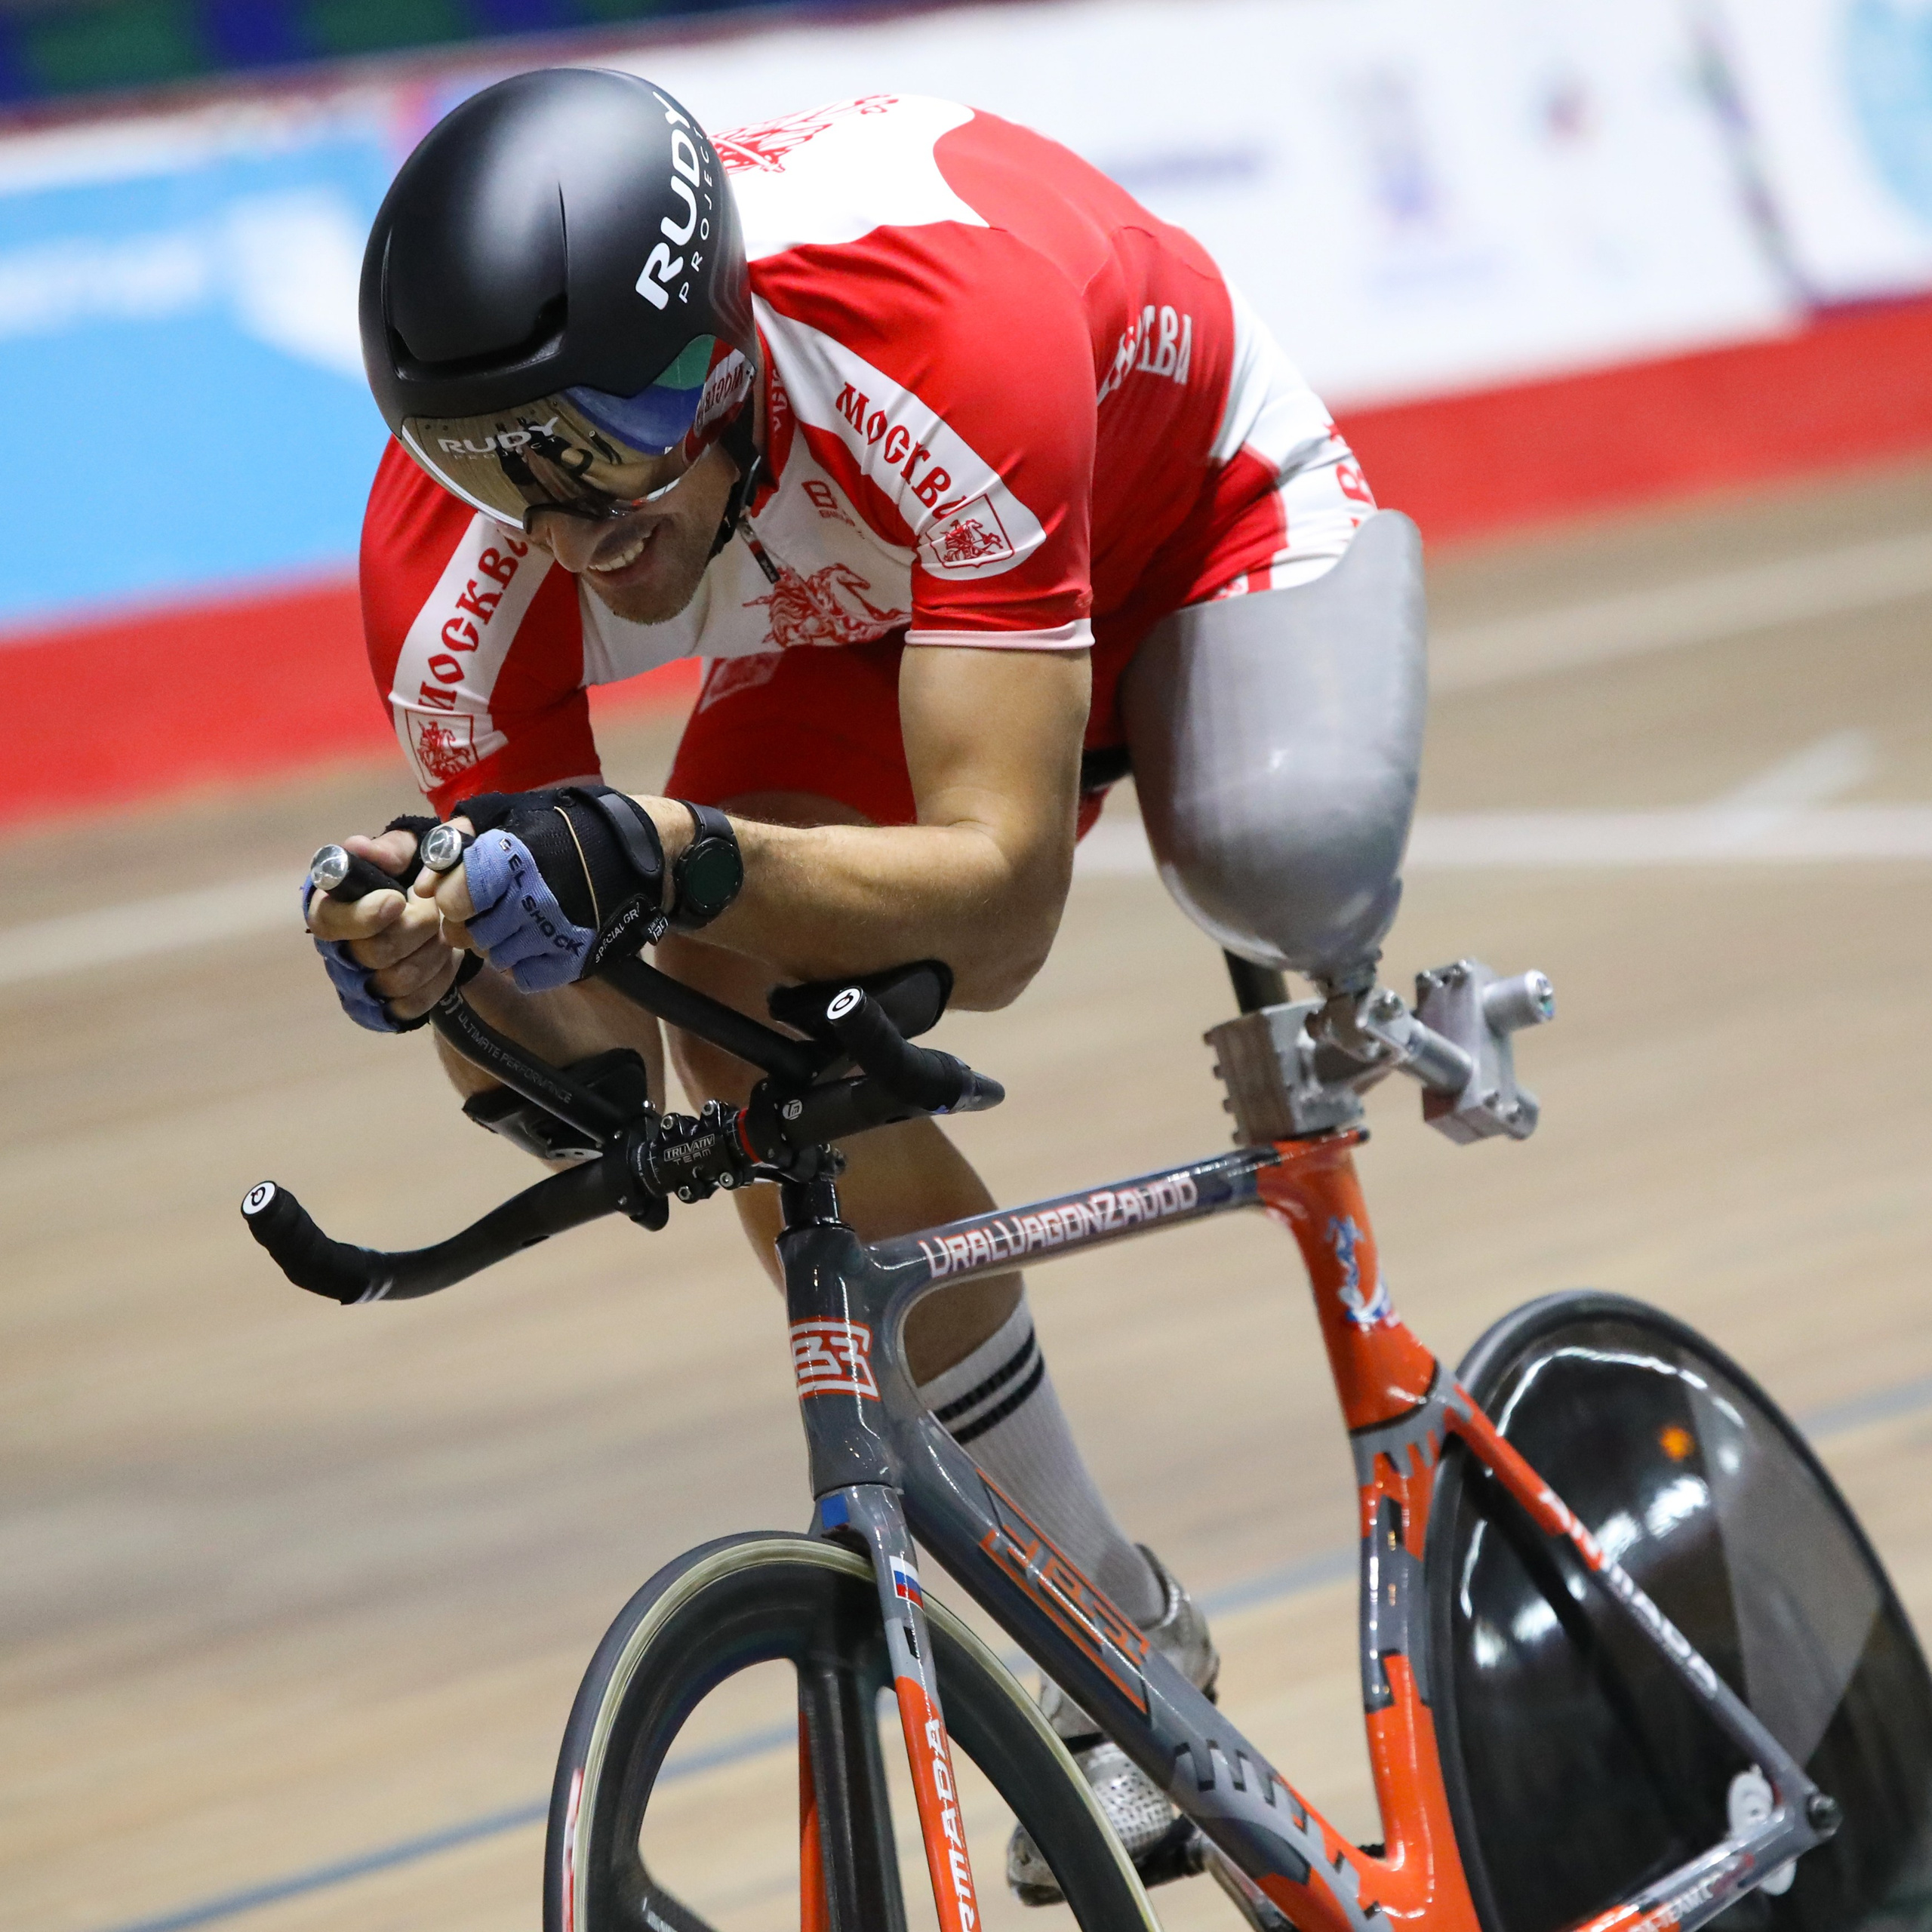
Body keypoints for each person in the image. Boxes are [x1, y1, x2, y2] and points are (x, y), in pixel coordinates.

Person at [309, 68, 1426, 1901]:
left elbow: (998, 912)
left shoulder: (929, 330)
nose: (564, 521)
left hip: (1178, 517)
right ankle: (1110, 1642)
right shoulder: (455, 557)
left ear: (722, 350)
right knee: (736, 1035)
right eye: (494, 463)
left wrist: (665, 853)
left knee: (1275, 844)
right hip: (872, 587)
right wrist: (445, 966)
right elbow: (594, 1060)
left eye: (600, 442)